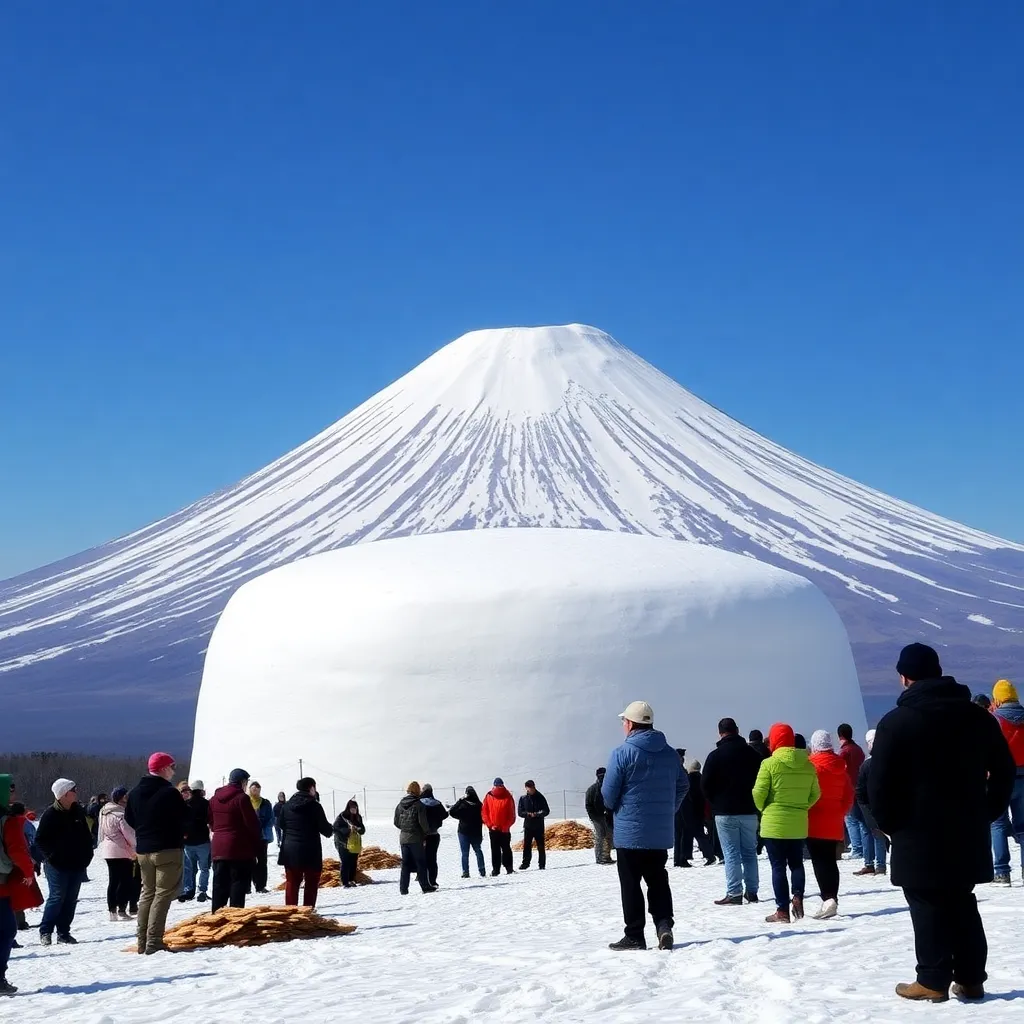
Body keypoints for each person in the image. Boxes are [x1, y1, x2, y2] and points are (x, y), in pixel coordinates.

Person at [870, 643, 1015, 1003]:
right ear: (938, 671)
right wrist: (989, 809)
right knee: (961, 899)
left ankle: (932, 979)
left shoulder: (895, 722)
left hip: (916, 832)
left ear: (904, 677)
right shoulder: (977, 717)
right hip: (966, 826)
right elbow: (1005, 770)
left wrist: (890, 824)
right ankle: (970, 978)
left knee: (925, 900)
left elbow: (879, 783)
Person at [602, 700, 688, 952]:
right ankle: (664, 926)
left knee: (631, 884)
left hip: (629, 833)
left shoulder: (621, 753)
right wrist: (668, 810)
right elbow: (683, 785)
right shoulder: (670, 753)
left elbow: (608, 796)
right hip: (659, 833)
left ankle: (635, 935)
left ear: (629, 724)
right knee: (658, 880)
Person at [753, 723, 820, 924]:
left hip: (774, 823)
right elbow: (816, 793)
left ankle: (782, 911)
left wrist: (764, 808)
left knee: (778, 867)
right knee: (797, 864)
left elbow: (758, 792)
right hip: (798, 823)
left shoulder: (769, 764)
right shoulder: (808, 764)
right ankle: (798, 895)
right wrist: (802, 807)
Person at [125, 752, 189, 955]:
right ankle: (154, 941)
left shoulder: (135, 792)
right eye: (172, 766)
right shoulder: (169, 792)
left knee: (147, 894)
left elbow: (129, 818)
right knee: (163, 894)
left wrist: (145, 832)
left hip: (144, 850)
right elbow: (183, 818)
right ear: (162, 768)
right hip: (167, 848)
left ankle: (142, 941)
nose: (173, 770)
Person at [702, 717, 764, 905]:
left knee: (731, 853)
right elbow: (761, 781)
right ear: (737, 730)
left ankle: (734, 893)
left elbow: (705, 785)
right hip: (749, 810)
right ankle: (752, 892)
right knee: (749, 852)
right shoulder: (752, 754)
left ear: (720, 733)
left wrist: (715, 803)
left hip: (725, 812)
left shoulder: (714, 756)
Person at [34, 778, 93, 945]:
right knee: (57, 897)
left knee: (71, 899)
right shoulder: (50, 814)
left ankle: (63, 932)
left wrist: (87, 856)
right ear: (64, 794)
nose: (76, 792)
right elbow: (40, 840)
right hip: (57, 865)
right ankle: (45, 931)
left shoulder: (78, 812)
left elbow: (87, 837)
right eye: (73, 790)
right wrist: (51, 857)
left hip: (77, 864)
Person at [1, 776, 43, 997]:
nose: (13, 796)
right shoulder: (6, 820)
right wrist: (28, 871)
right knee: (7, 930)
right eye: (9, 791)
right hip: (1, 884)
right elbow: (17, 849)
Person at [806, 730, 854, 919]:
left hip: (814, 821)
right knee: (831, 861)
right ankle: (832, 897)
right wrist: (839, 812)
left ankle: (827, 899)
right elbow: (849, 796)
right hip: (834, 821)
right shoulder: (840, 767)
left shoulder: (811, 767)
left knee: (819, 861)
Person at [209, 768, 262, 911]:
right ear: (243, 782)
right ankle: (235, 919)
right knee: (237, 883)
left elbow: (211, 822)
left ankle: (217, 918)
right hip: (238, 847)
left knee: (219, 884)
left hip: (218, 846)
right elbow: (252, 824)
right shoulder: (242, 798)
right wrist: (256, 846)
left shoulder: (214, 799)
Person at [989, 679, 1024, 886]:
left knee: (998, 824)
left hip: (1000, 778)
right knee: (1023, 826)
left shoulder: (994, 720)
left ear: (998, 698)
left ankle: (1002, 872)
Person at [279, 778, 333, 906]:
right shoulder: (315, 807)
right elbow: (326, 830)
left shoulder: (286, 806)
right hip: (311, 851)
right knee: (311, 884)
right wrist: (332, 828)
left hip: (290, 851)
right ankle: (308, 915)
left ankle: (292, 914)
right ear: (311, 788)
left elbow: (280, 824)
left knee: (292, 882)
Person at [96, 787, 136, 921]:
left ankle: (111, 910)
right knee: (125, 881)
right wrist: (136, 846)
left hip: (108, 850)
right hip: (121, 850)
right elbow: (128, 834)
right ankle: (122, 909)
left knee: (113, 881)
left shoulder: (104, 812)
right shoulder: (120, 815)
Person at [853, 730, 888, 877]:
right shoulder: (887, 762)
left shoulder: (866, 765)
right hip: (881, 803)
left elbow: (860, 789)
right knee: (877, 832)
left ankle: (874, 864)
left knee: (870, 832)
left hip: (867, 804)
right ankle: (877, 864)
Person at [394, 782, 434, 895]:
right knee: (420, 862)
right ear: (417, 791)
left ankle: (403, 889)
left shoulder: (400, 804)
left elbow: (396, 822)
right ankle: (425, 886)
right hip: (416, 838)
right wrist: (426, 833)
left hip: (403, 838)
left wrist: (404, 828)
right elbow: (423, 823)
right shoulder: (419, 805)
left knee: (405, 864)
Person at [837, 723, 866, 860]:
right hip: (860, 787)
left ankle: (857, 847)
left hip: (848, 788)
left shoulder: (844, 752)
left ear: (840, 736)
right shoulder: (858, 749)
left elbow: (839, 769)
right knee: (861, 820)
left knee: (851, 819)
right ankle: (864, 847)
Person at [181, 781, 212, 903]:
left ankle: (189, 890)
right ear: (201, 790)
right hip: (203, 841)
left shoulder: (186, 804)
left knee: (190, 868)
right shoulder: (206, 804)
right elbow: (210, 819)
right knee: (204, 868)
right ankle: (202, 890)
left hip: (188, 842)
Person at [481, 778, 517, 876]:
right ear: (494, 786)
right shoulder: (489, 796)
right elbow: (484, 812)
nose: (499, 787)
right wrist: (490, 825)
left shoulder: (508, 796)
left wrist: (506, 826)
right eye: (497, 785)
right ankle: (496, 869)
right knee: (495, 850)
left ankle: (509, 868)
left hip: (504, 829)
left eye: (500, 785)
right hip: (493, 829)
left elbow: (512, 814)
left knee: (506, 849)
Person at [449, 786, 486, 878]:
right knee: (478, 851)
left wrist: (460, 801)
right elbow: (483, 817)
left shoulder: (463, 804)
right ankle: (482, 870)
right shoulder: (479, 805)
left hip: (463, 831)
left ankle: (466, 872)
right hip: (476, 832)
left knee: (465, 853)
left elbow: (452, 812)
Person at [419, 784, 449, 888]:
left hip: (421, 836)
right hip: (434, 835)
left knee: (421, 858)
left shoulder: (419, 803)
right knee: (432, 859)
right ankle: (433, 881)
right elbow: (444, 815)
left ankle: (422, 879)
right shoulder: (437, 803)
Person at [248, 781, 274, 894]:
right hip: (248, 837)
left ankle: (261, 885)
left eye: (257, 790)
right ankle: (249, 884)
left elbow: (271, 819)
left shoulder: (265, 803)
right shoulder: (245, 801)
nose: (255, 792)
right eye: (253, 790)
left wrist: (265, 829)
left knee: (262, 861)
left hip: (262, 837)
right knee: (250, 861)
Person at [333, 799, 366, 888]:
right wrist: (348, 830)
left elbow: (362, 829)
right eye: (352, 808)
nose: (353, 810)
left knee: (353, 862)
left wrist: (358, 829)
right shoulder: (342, 816)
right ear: (348, 808)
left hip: (354, 843)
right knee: (345, 862)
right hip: (342, 842)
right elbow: (336, 828)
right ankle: (345, 882)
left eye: (355, 808)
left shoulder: (358, 817)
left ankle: (351, 880)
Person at [518, 781, 550, 871]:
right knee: (527, 845)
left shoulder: (540, 797)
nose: (530, 789)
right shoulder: (523, 798)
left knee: (540, 846)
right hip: (528, 825)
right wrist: (528, 814)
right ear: (526, 788)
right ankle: (525, 863)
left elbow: (546, 810)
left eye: (532, 787)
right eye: (528, 788)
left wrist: (537, 814)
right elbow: (520, 812)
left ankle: (542, 864)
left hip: (539, 825)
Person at [585, 768, 614, 865]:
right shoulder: (592, 789)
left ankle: (606, 856)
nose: (603, 778)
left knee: (609, 835)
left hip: (608, 816)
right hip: (597, 817)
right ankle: (599, 858)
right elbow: (588, 805)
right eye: (601, 776)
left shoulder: (610, 788)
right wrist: (593, 817)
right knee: (600, 836)